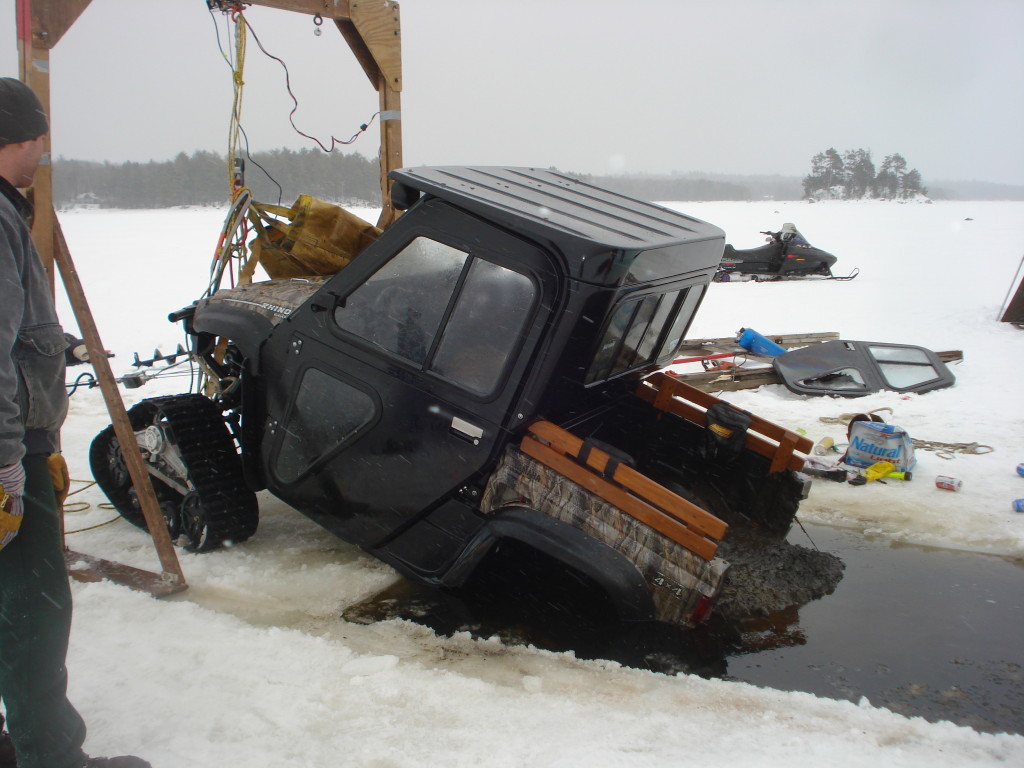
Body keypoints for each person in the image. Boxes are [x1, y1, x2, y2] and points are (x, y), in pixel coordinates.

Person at [0, 77, 151, 768]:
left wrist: (56, 346)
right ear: (21, 138)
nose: (42, 154)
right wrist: (8, 463)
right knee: (34, 607)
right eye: (38, 140)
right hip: (9, 452)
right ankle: (51, 758)